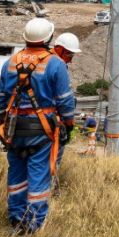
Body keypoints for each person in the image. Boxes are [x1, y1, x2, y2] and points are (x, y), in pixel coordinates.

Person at [0, 18, 75, 234]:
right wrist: (69, 124)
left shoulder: (11, 61)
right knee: (38, 176)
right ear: (49, 38)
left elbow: (0, 97)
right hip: (41, 130)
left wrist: (1, 121)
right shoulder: (55, 64)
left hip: (14, 128)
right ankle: (32, 225)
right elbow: (65, 100)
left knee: (16, 174)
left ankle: (15, 219)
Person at [49, 32, 82, 171]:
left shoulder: (42, 60)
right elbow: (64, 99)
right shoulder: (58, 65)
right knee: (52, 163)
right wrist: (69, 124)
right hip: (51, 122)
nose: (70, 60)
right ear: (60, 49)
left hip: (29, 121)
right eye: (70, 55)